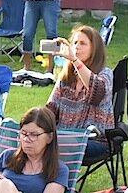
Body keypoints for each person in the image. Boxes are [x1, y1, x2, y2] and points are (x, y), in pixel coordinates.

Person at [45, 24, 113, 165]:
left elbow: (97, 92)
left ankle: (58, 183)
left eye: (83, 43)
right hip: (62, 135)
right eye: (74, 43)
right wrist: (36, 125)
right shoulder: (66, 77)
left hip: (94, 138)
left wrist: (74, 60)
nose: (77, 47)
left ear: (94, 49)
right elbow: (51, 107)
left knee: (56, 143)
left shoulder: (105, 74)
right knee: (33, 137)